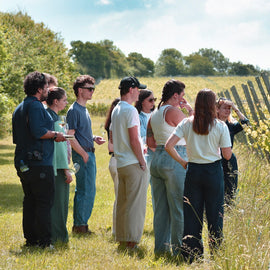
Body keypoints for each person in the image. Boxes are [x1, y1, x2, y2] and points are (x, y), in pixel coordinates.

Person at [165, 89, 232, 263]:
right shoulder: (220, 126)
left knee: (192, 214)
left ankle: (192, 257)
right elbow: (227, 155)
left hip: (193, 170)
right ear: (212, 105)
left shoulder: (187, 123)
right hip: (213, 172)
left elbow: (168, 145)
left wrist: (182, 162)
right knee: (215, 214)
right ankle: (217, 255)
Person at [12, 71, 66, 248]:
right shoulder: (35, 106)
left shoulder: (19, 107)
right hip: (39, 163)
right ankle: (44, 242)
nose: (47, 91)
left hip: (23, 161)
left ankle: (31, 240)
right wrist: (56, 134)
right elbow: (38, 132)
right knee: (44, 202)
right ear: (38, 89)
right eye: (45, 88)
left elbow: (18, 137)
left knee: (30, 201)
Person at [146, 79, 193, 256]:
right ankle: (180, 251)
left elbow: (150, 141)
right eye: (182, 95)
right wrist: (189, 110)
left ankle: (161, 249)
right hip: (175, 157)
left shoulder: (154, 114)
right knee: (179, 207)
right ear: (176, 95)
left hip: (157, 158)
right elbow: (194, 129)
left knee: (161, 209)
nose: (183, 98)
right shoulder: (173, 111)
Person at [111, 76, 148, 249]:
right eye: (138, 89)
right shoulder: (131, 111)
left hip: (121, 162)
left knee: (123, 203)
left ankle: (122, 237)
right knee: (135, 204)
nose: (140, 92)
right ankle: (132, 240)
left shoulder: (117, 109)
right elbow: (134, 139)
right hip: (133, 162)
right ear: (131, 89)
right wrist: (142, 162)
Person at [66, 75, 105, 234]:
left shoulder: (84, 109)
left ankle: (82, 224)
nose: (92, 92)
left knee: (89, 189)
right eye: (89, 89)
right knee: (84, 189)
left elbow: (80, 133)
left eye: (93, 89)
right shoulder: (74, 110)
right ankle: (80, 226)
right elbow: (70, 135)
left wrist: (93, 138)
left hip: (88, 153)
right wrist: (83, 154)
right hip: (83, 155)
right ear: (80, 90)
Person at [46, 87, 73, 244]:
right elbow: (60, 148)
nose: (66, 102)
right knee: (60, 205)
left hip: (49, 166)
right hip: (57, 168)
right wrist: (66, 170)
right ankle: (59, 237)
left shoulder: (48, 116)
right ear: (55, 101)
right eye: (64, 100)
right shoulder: (56, 120)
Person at [216, 97, 249, 204]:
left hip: (229, 158)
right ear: (217, 109)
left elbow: (246, 124)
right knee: (217, 184)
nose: (227, 110)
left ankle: (229, 205)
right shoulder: (212, 124)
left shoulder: (231, 125)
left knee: (231, 184)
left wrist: (236, 109)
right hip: (215, 158)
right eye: (225, 108)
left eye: (229, 108)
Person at [104, 98, 120, 236]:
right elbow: (111, 146)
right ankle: (117, 231)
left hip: (114, 160)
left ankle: (117, 230)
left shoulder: (111, 124)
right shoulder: (116, 124)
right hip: (118, 160)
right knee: (120, 198)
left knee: (119, 197)